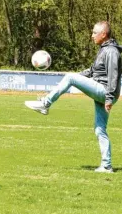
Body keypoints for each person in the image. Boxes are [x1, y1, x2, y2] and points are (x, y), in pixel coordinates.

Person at [25, 21, 122, 173]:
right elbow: (92, 71)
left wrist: (109, 98)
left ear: (104, 34)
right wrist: (77, 77)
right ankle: (106, 165)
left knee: (70, 78)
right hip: (103, 91)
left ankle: (46, 103)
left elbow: (113, 76)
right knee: (99, 129)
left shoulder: (111, 51)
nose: (92, 36)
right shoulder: (104, 49)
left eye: (94, 33)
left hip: (104, 91)